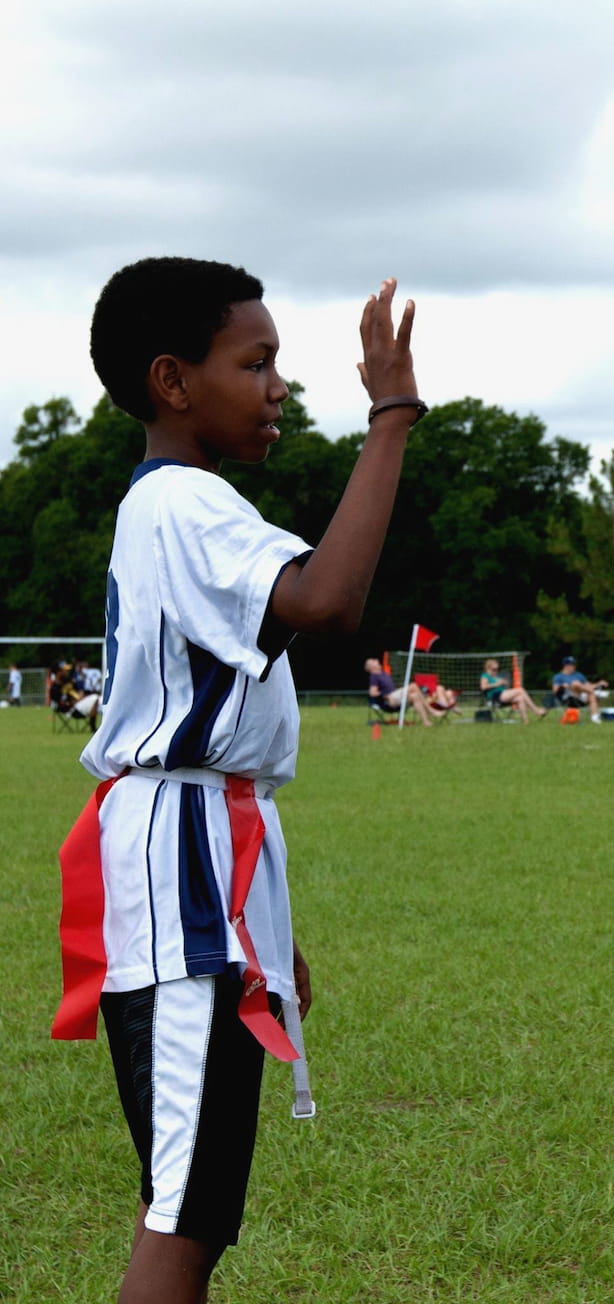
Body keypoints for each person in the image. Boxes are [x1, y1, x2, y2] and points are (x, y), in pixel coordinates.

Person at [52, 257, 423, 1304]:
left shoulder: (181, 506)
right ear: (173, 382)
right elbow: (326, 596)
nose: (277, 386)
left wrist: (261, 928)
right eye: (254, 362)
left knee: (189, 1196)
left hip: (203, 863)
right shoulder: (183, 502)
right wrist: (390, 415)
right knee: (188, 1210)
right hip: (181, 862)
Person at [364, 656, 436, 726]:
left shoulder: (383, 673)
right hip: (389, 700)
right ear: (371, 667)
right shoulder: (374, 676)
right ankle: (430, 710)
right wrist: (385, 695)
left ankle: (426, 722)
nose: (376, 660)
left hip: (395, 696)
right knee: (413, 686)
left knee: (415, 696)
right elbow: (372, 693)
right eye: (373, 661)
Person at [480, 657, 547, 722]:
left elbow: (505, 686)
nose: (496, 671)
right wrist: (497, 684)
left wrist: (504, 683)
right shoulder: (485, 676)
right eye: (494, 669)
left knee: (520, 698)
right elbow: (483, 687)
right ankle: (536, 710)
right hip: (495, 697)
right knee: (520, 690)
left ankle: (526, 721)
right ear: (488, 668)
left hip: (503, 694)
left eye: (497, 669)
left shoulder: (496, 676)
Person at [551, 655, 609, 723]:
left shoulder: (578, 675)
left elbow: (589, 685)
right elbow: (555, 691)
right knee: (576, 683)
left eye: (573, 665)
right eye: (571, 665)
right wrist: (563, 686)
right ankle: (595, 692)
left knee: (590, 694)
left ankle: (595, 718)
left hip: (582, 696)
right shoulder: (558, 676)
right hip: (568, 696)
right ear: (565, 666)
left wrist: (598, 683)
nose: (573, 666)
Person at [50, 660, 101, 730]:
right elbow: (61, 704)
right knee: (95, 698)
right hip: (72, 710)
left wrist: (81, 696)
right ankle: (93, 728)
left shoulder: (69, 680)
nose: (67, 672)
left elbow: (80, 691)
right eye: (65, 670)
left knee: (101, 699)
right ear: (58, 672)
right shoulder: (54, 689)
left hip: (80, 703)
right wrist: (73, 701)